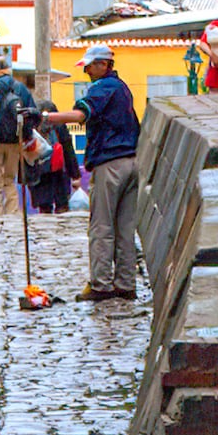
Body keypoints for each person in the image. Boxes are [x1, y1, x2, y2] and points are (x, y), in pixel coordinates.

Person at [77, 52, 146, 302]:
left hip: (110, 162)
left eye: (88, 67)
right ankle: (126, 284)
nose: (86, 73)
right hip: (132, 160)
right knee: (125, 228)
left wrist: (46, 118)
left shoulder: (103, 88)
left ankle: (101, 284)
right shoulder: (123, 89)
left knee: (102, 226)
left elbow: (82, 114)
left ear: (102, 65)